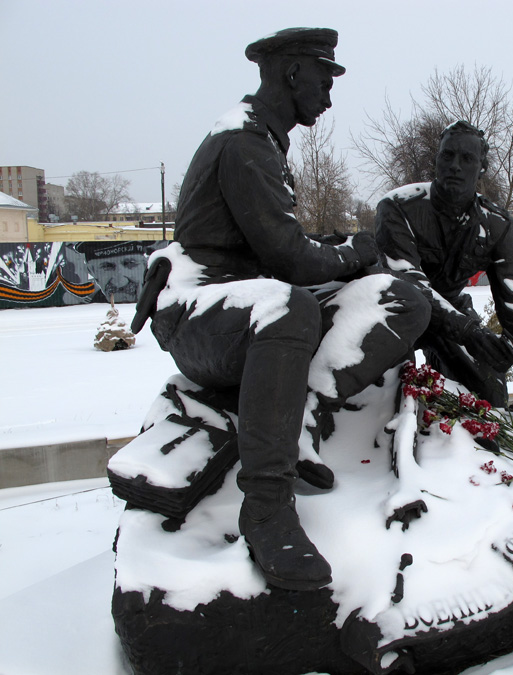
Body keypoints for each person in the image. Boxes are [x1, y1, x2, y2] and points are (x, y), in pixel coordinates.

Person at [132, 28, 430, 591]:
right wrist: (355, 250)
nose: (328, 95)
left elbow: (276, 244)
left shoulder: (266, 141)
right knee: (290, 307)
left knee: (400, 299)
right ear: (292, 75)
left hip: (245, 297)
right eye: (323, 80)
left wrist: (350, 254)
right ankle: (265, 506)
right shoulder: (244, 143)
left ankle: (304, 413)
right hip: (198, 311)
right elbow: (288, 259)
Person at [375, 120, 513, 413]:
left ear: (482, 167)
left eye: (467, 158)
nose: (455, 165)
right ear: (437, 160)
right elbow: (408, 282)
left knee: (488, 396)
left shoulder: (497, 224)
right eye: (447, 155)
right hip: (395, 312)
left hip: (452, 314)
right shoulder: (399, 207)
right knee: (389, 397)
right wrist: (469, 332)